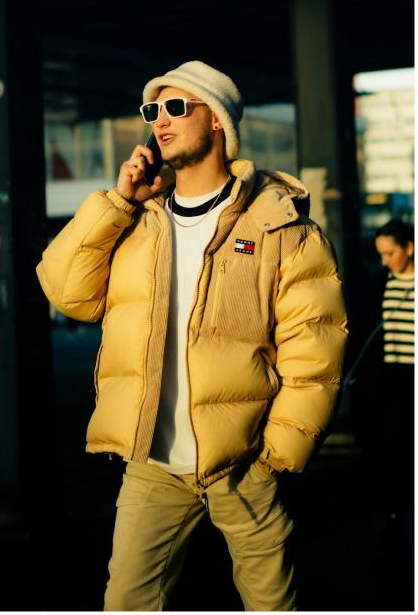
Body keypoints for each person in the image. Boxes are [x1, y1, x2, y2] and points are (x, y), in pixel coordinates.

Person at [36, 60, 348, 611]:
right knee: (125, 605)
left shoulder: (279, 226)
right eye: (152, 110)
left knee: (272, 606)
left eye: (177, 107)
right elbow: (67, 292)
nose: (160, 121)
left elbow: (314, 348)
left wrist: (276, 453)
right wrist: (119, 201)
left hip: (243, 464)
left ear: (219, 122)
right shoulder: (137, 220)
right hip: (152, 466)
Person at [351, 218, 414, 550]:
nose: (385, 261)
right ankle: (393, 508)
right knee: (391, 446)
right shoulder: (378, 284)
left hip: (413, 375)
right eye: (380, 254)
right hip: (388, 379)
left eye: (390, 253)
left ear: (409, 248)